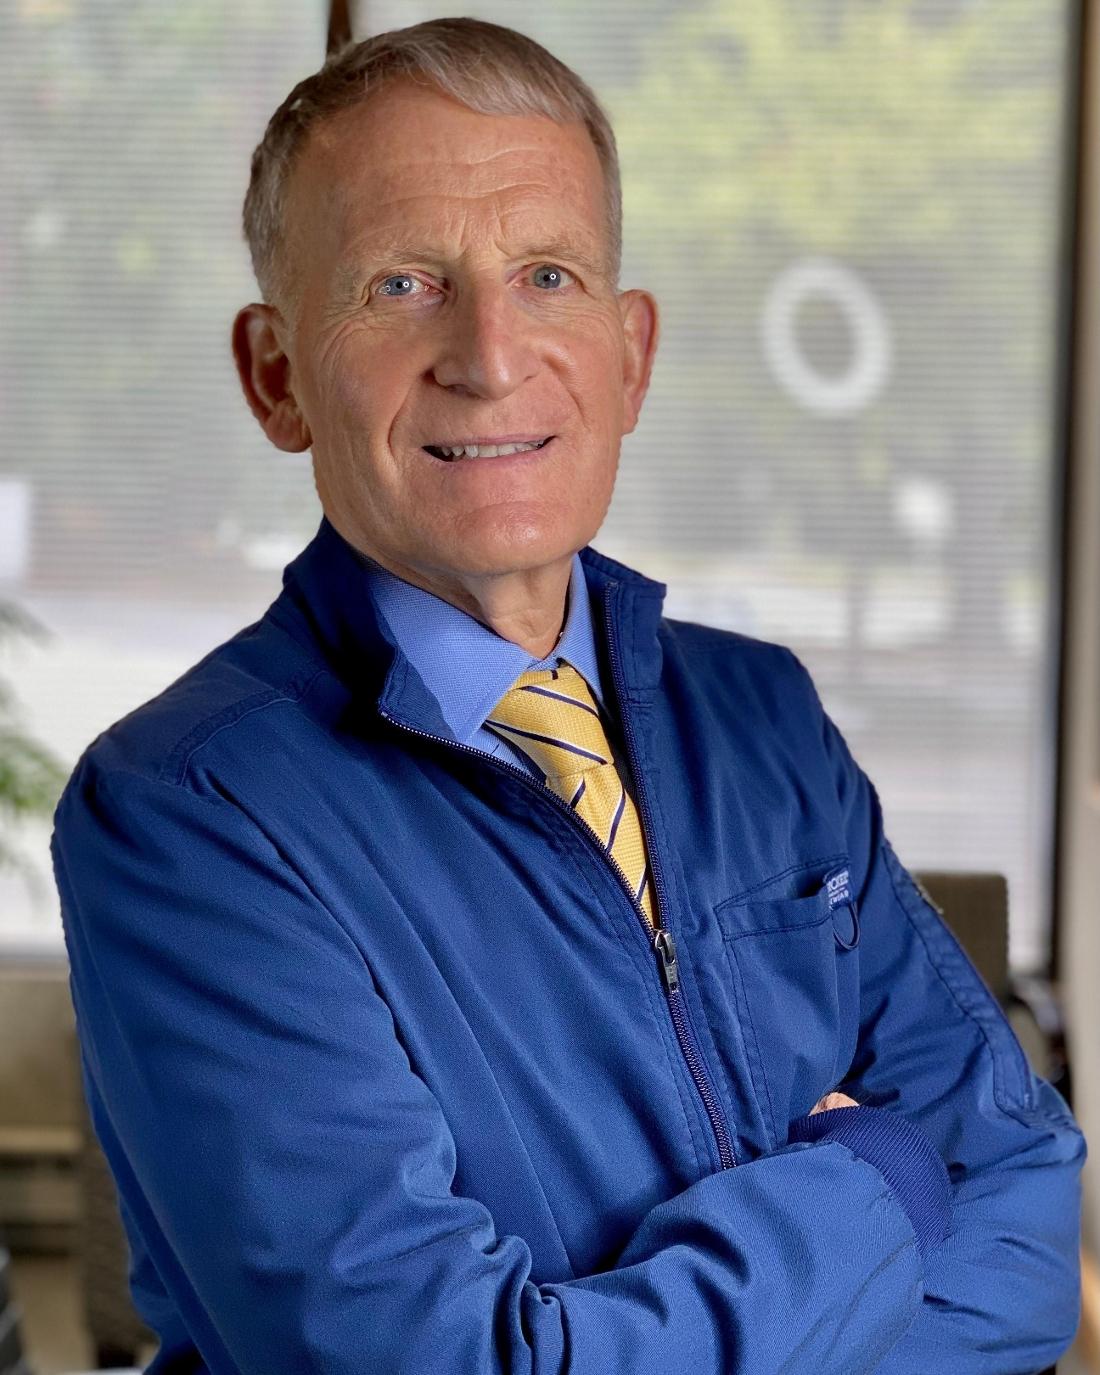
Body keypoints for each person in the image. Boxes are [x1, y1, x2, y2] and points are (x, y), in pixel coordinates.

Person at [50, 16, 1085, 1374]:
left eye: (548, 275)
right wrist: (879, 1179)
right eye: (402, 285)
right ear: (276, 375)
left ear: (630, 354)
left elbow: (1024, 1235)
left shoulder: (764, 717)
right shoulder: (188, 815)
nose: (489, 355)